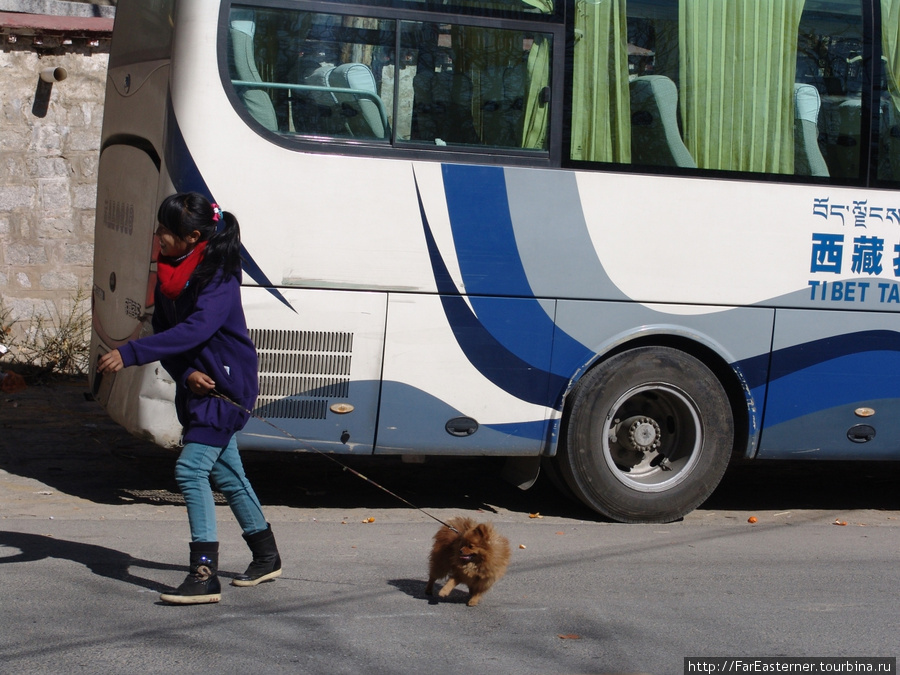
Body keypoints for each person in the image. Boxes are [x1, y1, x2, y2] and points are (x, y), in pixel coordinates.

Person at [97, 192, 282, 605]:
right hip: (201, 386)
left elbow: (194, 330)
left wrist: (129, 353)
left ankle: (203, 574)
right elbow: (171, 340)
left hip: (228, 388)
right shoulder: (168, 278)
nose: (158, 235)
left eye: (165, 229)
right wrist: (187, 373)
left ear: (193, 236)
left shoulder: (218, 276)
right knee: (229, 476)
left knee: (190, 471)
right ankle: (267, 556)